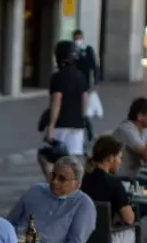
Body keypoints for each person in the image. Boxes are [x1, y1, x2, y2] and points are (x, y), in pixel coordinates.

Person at [80, 136, 137, 243]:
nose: (120, 161)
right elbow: (129, 218)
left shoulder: (84, 179)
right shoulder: (114, 184)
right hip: (104, 241)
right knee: (133, 232)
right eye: (119, 157)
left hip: (82, 238)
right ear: (110, 158)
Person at [43, 40, 88, 171]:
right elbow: (84, 98)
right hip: (77, 123)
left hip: (61, 123)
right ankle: (72, 186)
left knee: (50, 158)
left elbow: (57, 99)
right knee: (73, 160)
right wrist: (83, 118)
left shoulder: (58, 77)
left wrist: (51, 125)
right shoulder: (81, 76)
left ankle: (54, 185)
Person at [72, 30, 100, 142]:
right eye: (76, 38)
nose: (77, 40)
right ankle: (80, 129)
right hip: (72, 84)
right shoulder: (72, 51)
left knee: (83, 109)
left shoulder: (87, 51)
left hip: (85, 85)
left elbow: (95, 67)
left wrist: (96, 83)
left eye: (79, 38)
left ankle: (89, 131)